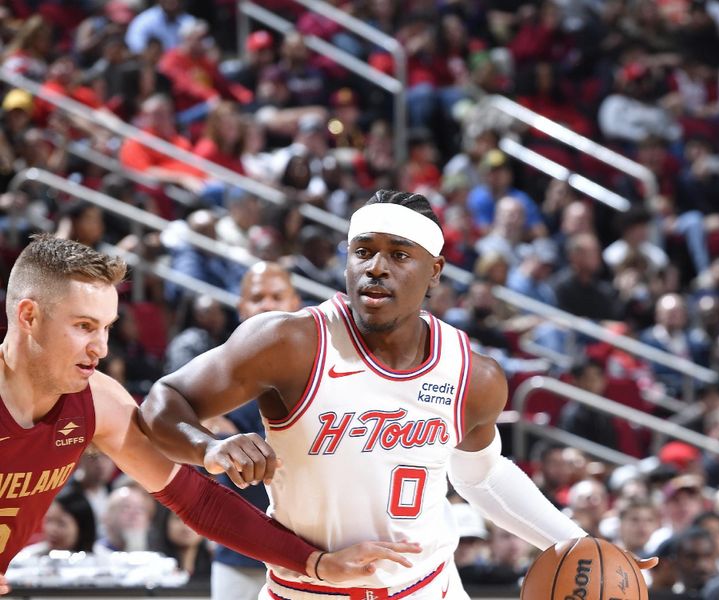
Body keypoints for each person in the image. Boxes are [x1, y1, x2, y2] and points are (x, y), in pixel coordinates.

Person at [140, 190, 656, 600]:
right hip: (311, 589)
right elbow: (163, 401)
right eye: (363, 252)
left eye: (398, 254)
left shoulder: (473, 375)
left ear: (434, 272)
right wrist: (205, 447)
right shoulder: (290, 341)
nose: (376, 267)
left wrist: (576, 542)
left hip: (428, 587)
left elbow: (482, 475)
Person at [0, 235, 421, 596]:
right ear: (29, 317)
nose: (101, 348)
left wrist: (315, 563)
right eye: (84, 327)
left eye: (107, 328)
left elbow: (196, 499)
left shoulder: (98, 400)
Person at [208, 261, 301, 600]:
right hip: (238, 553)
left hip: (307, 554)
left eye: (277, 296)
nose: (267, 305)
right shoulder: (215, 369)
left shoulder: (322, 367)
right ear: (242, 307)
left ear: (295, 302)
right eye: (257, 297)